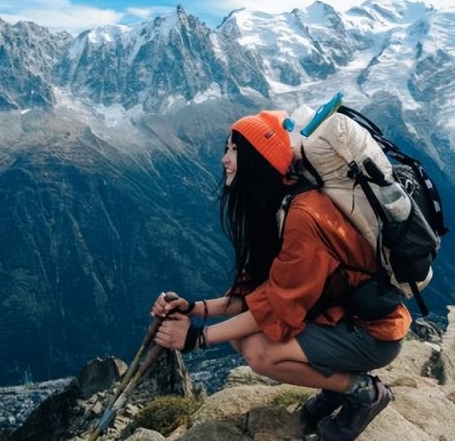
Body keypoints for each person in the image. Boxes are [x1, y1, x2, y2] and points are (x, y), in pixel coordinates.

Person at [151, 110, 410, 440]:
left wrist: (197, 339)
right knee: (240, 335)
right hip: (342, 319)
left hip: (371, 334)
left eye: (232, 150)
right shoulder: (278, 204)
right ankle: (336, 388)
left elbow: (276, 306)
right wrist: (195, 308)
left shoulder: (301, 216)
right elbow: (256, 293)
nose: (224, 159)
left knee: (260, 352)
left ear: (256, 159)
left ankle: (362, 391)